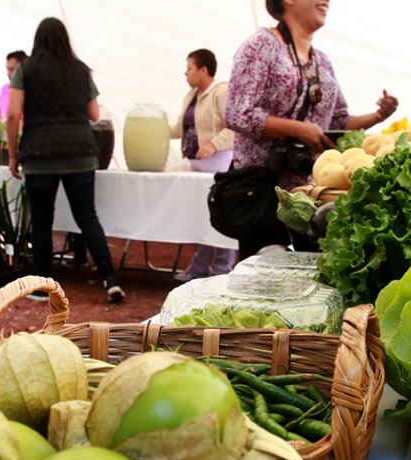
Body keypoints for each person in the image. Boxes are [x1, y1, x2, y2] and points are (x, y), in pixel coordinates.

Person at [225, 0, 399, 259]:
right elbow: (237, 113)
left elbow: (339, 122)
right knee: (264, 281)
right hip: (264, 193)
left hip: (310, 196)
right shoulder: (261, 46)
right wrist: (298, 129)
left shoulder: (322, 61)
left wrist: (378, 115)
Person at [6, 17, 124, 303]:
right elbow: (94, 114)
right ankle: (110, 280)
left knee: (42, 221)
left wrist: (12, 154)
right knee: (87, 217)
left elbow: (12, 115)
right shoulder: (81, 71)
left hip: (39, 154)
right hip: (80, 154)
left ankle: (43, 287)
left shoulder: (26, 69)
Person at [170, 48, 237, 281]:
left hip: (219, 164)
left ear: (204, 70)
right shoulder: (191, 96)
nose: (185, 73)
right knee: (202, 217)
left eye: (189, 68)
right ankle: (199, 268)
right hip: (197, 165)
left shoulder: (222, 92)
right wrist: (156, 130)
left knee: (219, 214)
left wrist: (214, 145)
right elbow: (181, 128)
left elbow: (234, 127)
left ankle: (221, 269)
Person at [0, 50, 27, 120]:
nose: (8, 74)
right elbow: (0, 117)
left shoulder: (36, 89)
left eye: (12, 69)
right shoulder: (4, 89)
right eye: (8, 69)